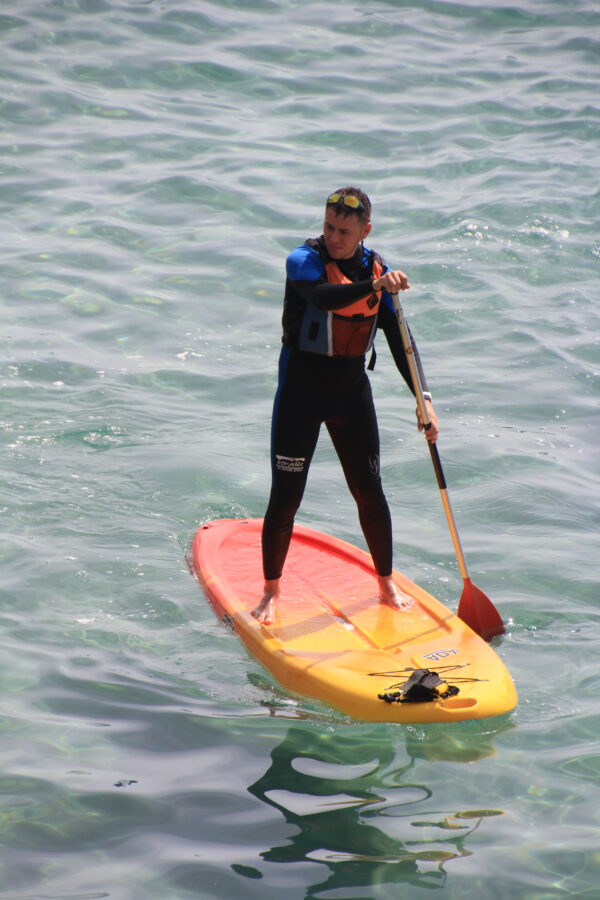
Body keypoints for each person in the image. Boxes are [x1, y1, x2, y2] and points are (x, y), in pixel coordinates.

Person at [252, 187, 439, 624]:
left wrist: (423, 399)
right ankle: (271, 592)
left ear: (365, 231)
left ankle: (385, 581)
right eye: (329, 227)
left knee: (369, 489)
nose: (334, 237)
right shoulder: (304, 261)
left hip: (351, 394)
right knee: (286, 497)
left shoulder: (378, 269)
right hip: (301, 393)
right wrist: (375, 285)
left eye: (344, 231)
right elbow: (322, 297)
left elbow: (400, 341)